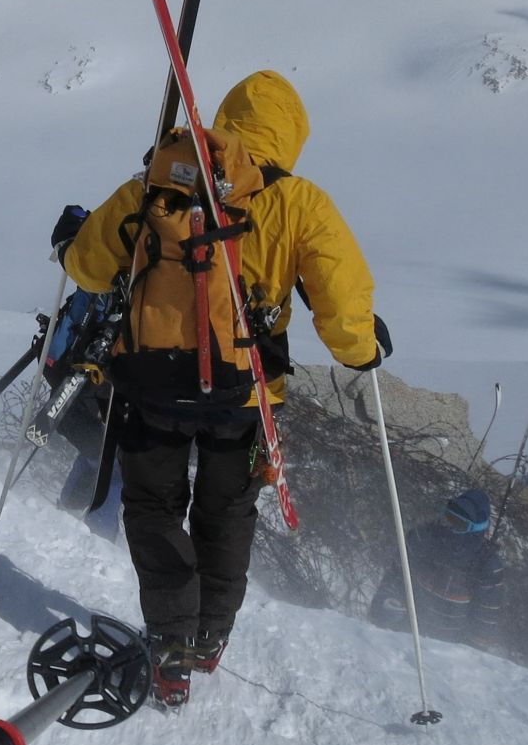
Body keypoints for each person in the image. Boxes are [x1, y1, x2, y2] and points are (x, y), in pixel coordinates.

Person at [54, 69, 387, 707]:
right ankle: (208, 639)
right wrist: (366, 347)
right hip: (245, 395)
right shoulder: (301, 202)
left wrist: (72, 240)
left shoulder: (156, 182)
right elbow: (343, 316)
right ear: (291, 134)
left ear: (227, 119)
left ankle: (170, 645)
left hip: (149, 388)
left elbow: (88, 268)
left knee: (153, 510)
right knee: (228, 512)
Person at [368, 488, 505, 652]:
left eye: (459, 524)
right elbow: (396, 576)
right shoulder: (422, 538)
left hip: (447, 652)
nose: (450, 528)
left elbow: (484, 621)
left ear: (475, 530)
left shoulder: (487, 565)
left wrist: (467, 658)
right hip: (402, 636)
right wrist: (386, 602)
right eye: (448, 519)